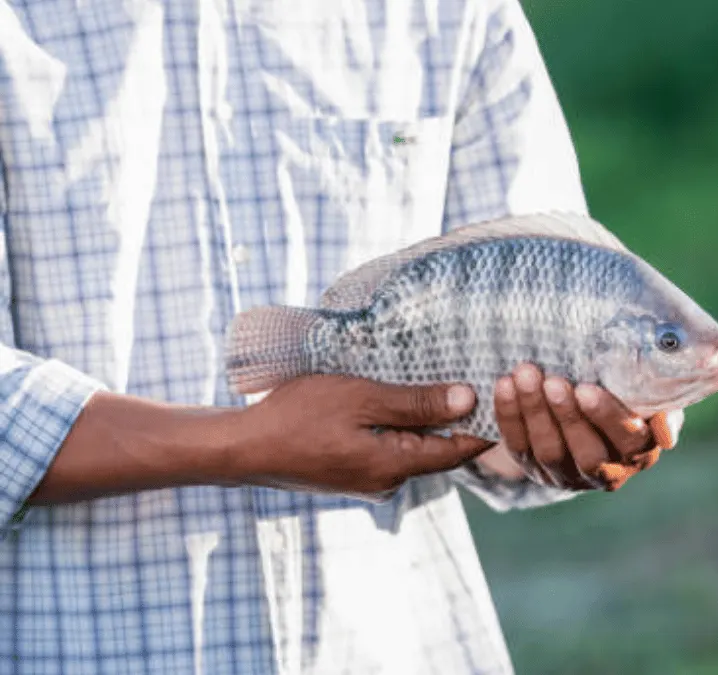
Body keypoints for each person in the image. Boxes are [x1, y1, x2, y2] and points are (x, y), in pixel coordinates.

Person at [0, 1, 682, 672]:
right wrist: (241, 443)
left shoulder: (456, 12)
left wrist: (568, 433)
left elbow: (527, 338)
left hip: (383, 640)